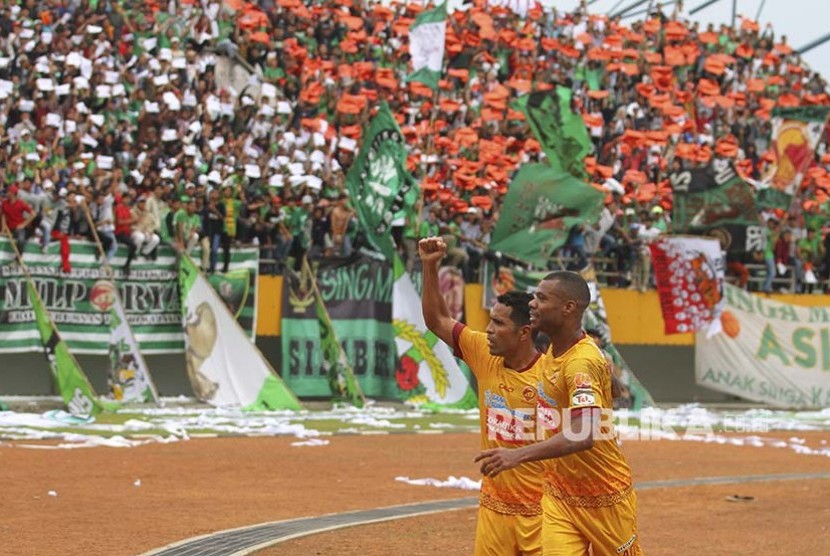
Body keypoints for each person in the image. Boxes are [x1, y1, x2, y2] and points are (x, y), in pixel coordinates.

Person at [476, 271, 641, 556]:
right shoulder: (557, 351)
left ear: (568, 308)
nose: (532, 304)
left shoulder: (580, 363)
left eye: (541, 298)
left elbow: (584, 433)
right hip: (559, 496)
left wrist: (516, 455)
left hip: (605, 497)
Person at [419, 236, 545, 556]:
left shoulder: (555, 375)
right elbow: (437, 320)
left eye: (498, 324)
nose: (488, 330)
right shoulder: (483, 353)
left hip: (544, 515)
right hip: (495, 510)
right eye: (489, 321)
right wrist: (430, 266)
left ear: (524, 332)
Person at [1, 185, 36, 255]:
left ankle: (18, 258)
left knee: (21, 240)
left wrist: (24, 224)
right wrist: (3, 227)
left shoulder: (21, 203)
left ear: (12, 193)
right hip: (9, 227)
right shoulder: (4, 203)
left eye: (8, 192)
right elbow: (3, 215)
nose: (6, 193)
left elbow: (33, 214)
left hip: (18, 228)